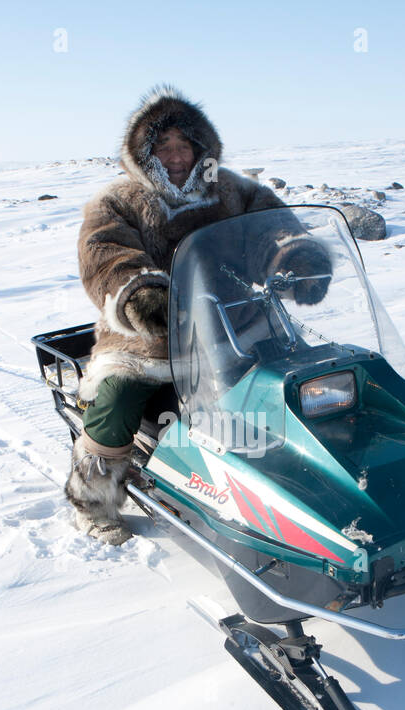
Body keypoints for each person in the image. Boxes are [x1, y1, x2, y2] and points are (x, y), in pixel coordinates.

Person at [66, 85, 328, 545]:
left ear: (200, 147)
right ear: (144, 154)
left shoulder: (231, 190)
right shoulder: (118, 201)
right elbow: (105, 257)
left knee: (306, 383)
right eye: (162, 147)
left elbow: (272, 225)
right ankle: (93, 501)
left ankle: (321, 482)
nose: (175, 156)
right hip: (146, 335)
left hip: (235, 321)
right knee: (119, 397)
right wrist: (142, 296)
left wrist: (295, 256)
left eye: (183, 145)